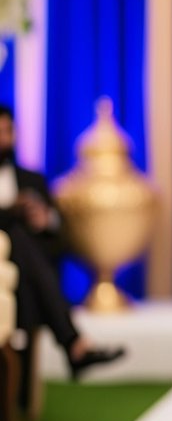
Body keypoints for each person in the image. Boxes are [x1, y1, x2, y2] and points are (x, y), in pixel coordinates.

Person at [0, 104, 126, 381]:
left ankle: (68, 347)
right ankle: (73, 343)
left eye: (7, 131)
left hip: (24, 271)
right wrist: (11, 211)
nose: (3, 137)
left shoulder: (31, 180)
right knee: (18, 240)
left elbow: (60, 237)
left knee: (27, 252)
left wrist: (46, 221)